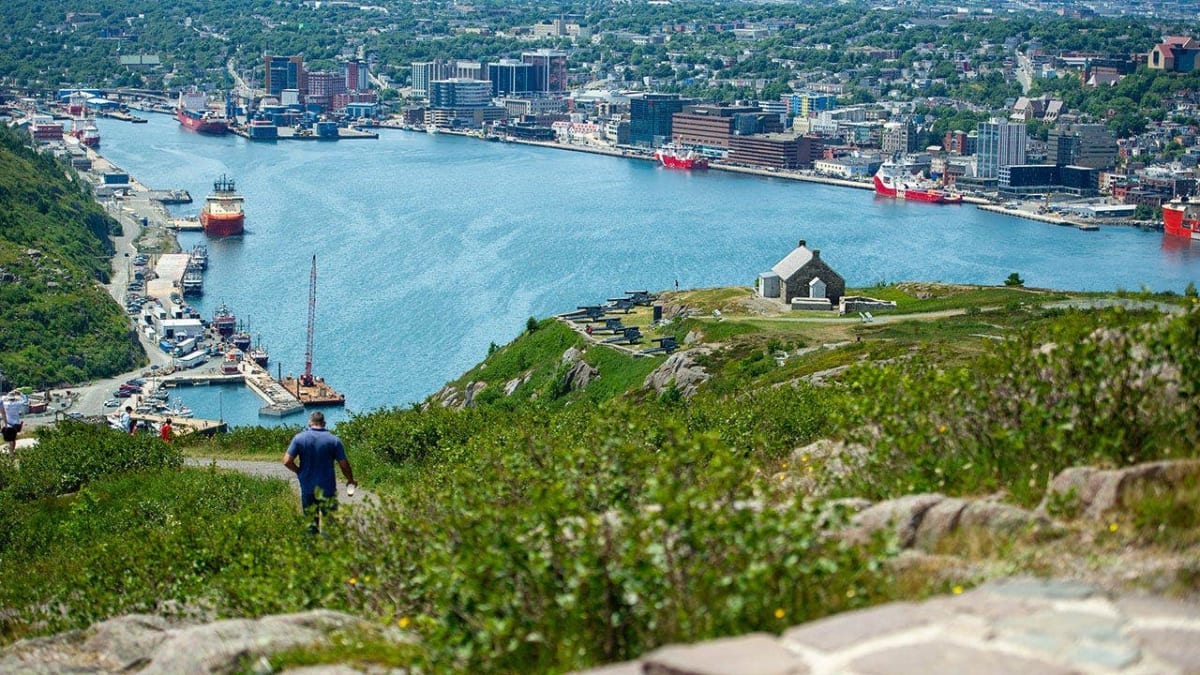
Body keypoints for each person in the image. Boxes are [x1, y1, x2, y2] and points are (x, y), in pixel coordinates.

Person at [283, 411, 356, 534]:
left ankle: (312, 552)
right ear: (324, 423)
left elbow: (286, 461)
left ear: (310, 423)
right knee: (330, 525)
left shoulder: (299, 438)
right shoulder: (334, 440)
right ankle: (329, 551)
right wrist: (350, 479)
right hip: (327, 489)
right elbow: (343, 464)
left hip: (308, 488)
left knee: (311, 525)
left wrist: (299, 471)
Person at [2, 389, 29, 455]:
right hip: (15, 425)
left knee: (9, 440)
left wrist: (6, 395)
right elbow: (26, 400)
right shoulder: (17, 404)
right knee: (13, 440)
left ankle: (11, 453)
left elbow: (2, 399)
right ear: (14, 398)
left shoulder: (5, 404)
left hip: (7, 424)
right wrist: (20, 393)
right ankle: (12, 452)